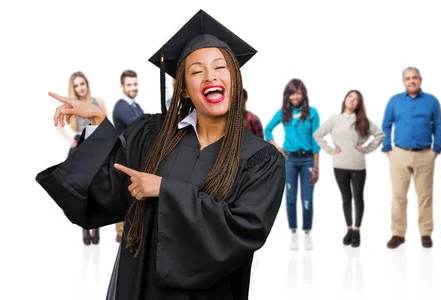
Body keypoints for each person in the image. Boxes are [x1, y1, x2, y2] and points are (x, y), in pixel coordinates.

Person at [36, 9, 285, 300]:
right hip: (137, 286)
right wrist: (98, 126)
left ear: (235, 80)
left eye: (220, 67)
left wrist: (165, 190)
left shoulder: (262, 161)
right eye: (196, 71)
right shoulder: (152, 136)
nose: (209, 76)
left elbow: (244, 229)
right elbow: (105, 194)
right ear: (182, 90)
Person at [381, 66, 441, 249]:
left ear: (421, 80)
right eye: (408, 78)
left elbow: (438, 126)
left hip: (425, 155)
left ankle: (425, 233)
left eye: (414, 77)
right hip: (399, 155)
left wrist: (436, 150)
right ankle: (398, 234)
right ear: (403, 81)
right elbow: (386, 125)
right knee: (398, 196)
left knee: (425, 196)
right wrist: (388, 149)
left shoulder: (432, 101)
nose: (411, 81)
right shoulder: (394, 101)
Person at [313, 90, 384, 247]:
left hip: (358, 165)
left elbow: (379, 135)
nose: (352, 100)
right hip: (339, 165)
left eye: (356, 99)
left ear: (359, 104)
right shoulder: (334, 119)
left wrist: (365, 149)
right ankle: (349, 229)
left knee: (358, 197)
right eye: (350, 97)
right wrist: (331, 150)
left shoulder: (362, 120)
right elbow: (318, 134)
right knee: (346, 198)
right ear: (345, 99)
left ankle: (357, 230)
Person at [264, 78, 320, 251]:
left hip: (308, 160)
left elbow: (316, 140)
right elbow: (267, 130)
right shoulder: (283, 112)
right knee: (289, 198)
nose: (295, 96)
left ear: (303, 94)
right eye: (292, 93)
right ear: (287, 96)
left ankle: (307, 232)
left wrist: (316, 168)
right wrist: (277, 148)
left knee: (307, 199)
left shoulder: (312, 112)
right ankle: (294, 233)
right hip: (289, 160)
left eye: (298, 92)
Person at [56, 71, 107, 245]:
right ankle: (85, 230)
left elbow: (105, 122)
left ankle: (96, 228)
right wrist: (71, 140)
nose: (80, 88)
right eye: (76, 85)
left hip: (96, 144)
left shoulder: (97, 102)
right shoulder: (73, 104)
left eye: (82, 83)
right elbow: (59, 124)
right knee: (82, 190)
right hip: (81, 145)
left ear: (87, 83)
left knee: (97, 188)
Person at [111, 69, 144, 243]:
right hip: (125, 161)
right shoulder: (122, 107)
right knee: (126, 201)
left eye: (135, 84)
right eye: (129, 84)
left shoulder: (135, 106)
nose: (133, 87)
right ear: (122, 87)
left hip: (135, 160)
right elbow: (141, 126)